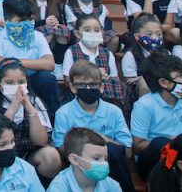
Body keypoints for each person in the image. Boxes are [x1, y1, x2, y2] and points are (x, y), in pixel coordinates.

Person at [53, 60, 134, 192]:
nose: (88, 89)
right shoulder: (63, 113)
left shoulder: (114, 111)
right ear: (73, 88)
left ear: (101, 87)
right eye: (81, 85)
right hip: (80, 164)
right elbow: (61, 148)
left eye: (93, 84)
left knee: (113, 150)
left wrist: (100, 140)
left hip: (110, 162)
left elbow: (127, 151)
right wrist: (86, 149)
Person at [130, 51, 182, 179]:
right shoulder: (144, 105)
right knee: (161, 143)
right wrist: (174, 143)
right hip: (154, 162)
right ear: (164, 82)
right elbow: (137, 146)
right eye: (181, 76)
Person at [46, 127, 121, 192]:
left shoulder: (112, 186)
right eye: (96, 158)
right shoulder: (58, 188)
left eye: (105, 158)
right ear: (74, 159)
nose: (104, 163)